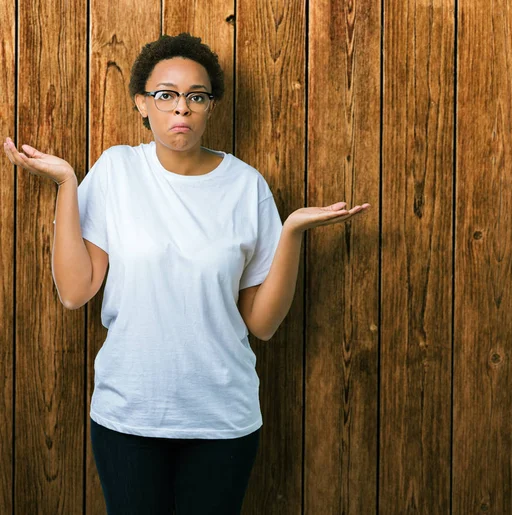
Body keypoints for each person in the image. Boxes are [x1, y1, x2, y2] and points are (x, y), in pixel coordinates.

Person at [3, 32, 371, 515]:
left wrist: (293, 233)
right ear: (142, 103)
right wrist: (68, 183)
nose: (182, 109)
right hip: (129, 414)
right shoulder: (115, 172)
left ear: (210, 107)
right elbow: (75, 291)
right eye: (167, 95)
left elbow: (261, 324)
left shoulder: (246, 186)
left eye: (196, 96)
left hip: (222, 418)